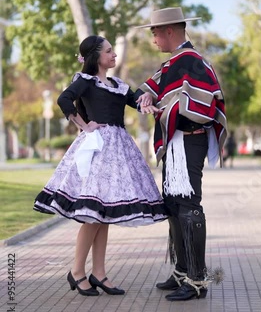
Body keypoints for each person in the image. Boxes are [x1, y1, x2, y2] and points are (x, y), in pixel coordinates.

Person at [34, 35, 167, 297]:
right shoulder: (84, 81)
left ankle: (99, 272)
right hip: (97, 148)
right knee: (93, 214)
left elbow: (138, 101)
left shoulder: (118, 84)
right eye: (109, 51)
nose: (114, 55)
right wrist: (84, 126)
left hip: (119, 149)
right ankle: (76, 272)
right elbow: (64, 100)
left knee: (103, 215)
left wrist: (148, 102)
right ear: (96, 56)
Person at [135, 7, 228, 301]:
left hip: (189, 141)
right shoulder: (173, 63)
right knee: (173, 205)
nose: (154, 39)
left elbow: (203, 106)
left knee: (188, 205)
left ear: (170, 31)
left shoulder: (191, 61)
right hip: (176, 143)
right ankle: (182, 271)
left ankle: (197, 280)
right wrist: (149, 95)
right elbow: (151, 89)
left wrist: (168, 108)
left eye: (155, 33)